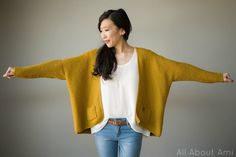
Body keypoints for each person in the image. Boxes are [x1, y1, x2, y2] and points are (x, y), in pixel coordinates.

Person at [3, 8, 233, 157]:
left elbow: (181, 69)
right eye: (100, 31)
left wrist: (217, 77)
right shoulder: (94, 58)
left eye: (107, 29)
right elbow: (58, 67)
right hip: (103, 127)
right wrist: (20, 71)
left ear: (122, 30)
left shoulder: (146, 58)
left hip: (132, 128)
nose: (103, 35)